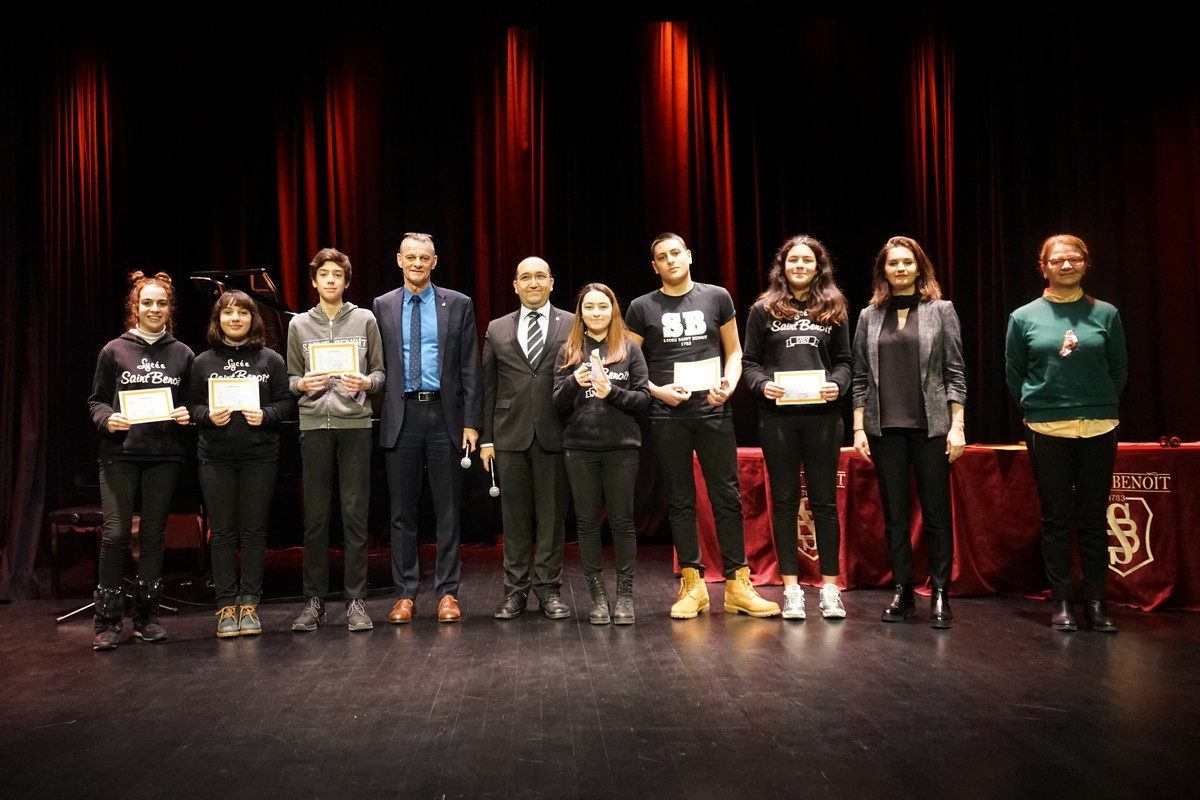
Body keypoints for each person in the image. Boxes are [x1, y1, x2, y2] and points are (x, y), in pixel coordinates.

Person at [625, 232, 780, 619]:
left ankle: (737, 584)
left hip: (712, 410)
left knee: (726, 496)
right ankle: (692, 585)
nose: (671, 260)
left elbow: (735, 351)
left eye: (676, 252)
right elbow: (627, 363)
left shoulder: (716, 297)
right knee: (680, 499)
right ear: (655, 266)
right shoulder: (641, 307)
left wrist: (729, 385)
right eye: (663, 256)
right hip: (668, 414)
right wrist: (658, 392)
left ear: (689, 255)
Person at [1005, 234, 1127, 633]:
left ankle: (1095, 601)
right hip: (1047, 427)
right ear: (1044, 267)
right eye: (1057, 260)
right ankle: (1061, 601)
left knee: (1093, 519)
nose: (1066, 265)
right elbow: (1015, 374)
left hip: (1098, 425)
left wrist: (1098, 401)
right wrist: (1039, 406)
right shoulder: (1023, 317)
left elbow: (1118, 369)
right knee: (1056, 518)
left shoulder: (1106, 313)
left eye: (1074, 258)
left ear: (1085, 264)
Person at [851, 235, 966, 628]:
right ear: (883, 271)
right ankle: (902, 591)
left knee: (936, 514)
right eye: (893, 263)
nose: (900, 268)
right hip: (883, 429)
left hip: (931, 428)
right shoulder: (868, 316)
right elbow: (860, 377)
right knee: (895, 516)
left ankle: (940, 592)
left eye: (907, 262)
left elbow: (955, 372)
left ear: (919, 268)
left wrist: (957, 426)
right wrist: (859, 428)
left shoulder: (941, 311)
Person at [373, 232, 482, 624]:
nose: (417, 263)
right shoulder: (382, 305)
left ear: (434, 262)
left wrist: (472, 422)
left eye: (424, 257)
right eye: (411, 257)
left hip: (445, 416)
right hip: (401, 416)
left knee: (447, 510)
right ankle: (405, 594)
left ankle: (447, 592)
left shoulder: (458, 303)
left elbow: (470, 366)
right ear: (399, 260)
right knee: (401, 512)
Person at [742, 235, 852, 620]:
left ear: (818, 266)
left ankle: (830, 589)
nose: (800, 266)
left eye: (807, 260)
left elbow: (845, 362)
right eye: (793, 260)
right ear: (783, 266)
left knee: (824, 501)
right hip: (778, 418)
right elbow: (750, 363)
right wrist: (762, 385)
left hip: (823, 418)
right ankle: (791, 589)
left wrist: (837, 384)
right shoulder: (763, 309)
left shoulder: (834, 307)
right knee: (786, 501)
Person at [87, 271, 193, 651]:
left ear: (169, 309)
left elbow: (193, 402)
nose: (154, 308)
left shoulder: (183, 353)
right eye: (147, 302)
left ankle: (147, 617)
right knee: (116, 535)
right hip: (120, 454)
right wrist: (107, 419)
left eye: (161, 303)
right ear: (135, 307)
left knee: (152, 536)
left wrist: (187, 414)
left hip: (164, 455)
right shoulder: (114, 350)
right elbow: (96, 401)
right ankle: (107, 621)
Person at [287, 247, 385, 633]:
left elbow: (380, 373)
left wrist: (368, 382)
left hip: (355, 425)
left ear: (346, 281)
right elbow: (290, 378)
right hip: (314, 425)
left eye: (337, 275)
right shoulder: (299, 325)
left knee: (354, 515)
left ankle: (356, 600)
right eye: (324, 274)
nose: (330, 280)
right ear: (314, 281)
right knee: (315, 518)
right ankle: (314, 601)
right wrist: (301, 384)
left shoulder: (365, 319)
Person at [188, 291, 294, 638]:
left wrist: (266, 414)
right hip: (215, 457)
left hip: (260, 456)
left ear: (253, 319)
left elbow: (286, 404)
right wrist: (207, 415)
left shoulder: (271, 360)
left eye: (243, 313)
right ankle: (225, 605)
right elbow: (192, 406)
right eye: (228, 313)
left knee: (253, 531)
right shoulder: (202, 362)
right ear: (218, 320)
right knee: (221, 532)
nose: (235, 319)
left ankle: (249, 603)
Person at [480, 257, 573, 620]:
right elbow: (488, 387)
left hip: (556, 432)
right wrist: (486, 439)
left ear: (551, 282)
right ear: (515, 285)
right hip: (509, 434)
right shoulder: (497, 328)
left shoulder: (572, 323)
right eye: (525, 277)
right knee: (514, 519)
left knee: (552, 519)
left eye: (540, 276)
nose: (533, 283)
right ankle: (515, 591)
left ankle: (549, 590)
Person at [553, 283, 651, 624]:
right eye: (589, 307)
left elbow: (643, 398)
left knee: (622, 522)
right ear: (581, 313)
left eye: (603, 307)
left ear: (613, 310)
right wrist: (573, 383)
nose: (596, 313)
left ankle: (624, 597)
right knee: (587, 523)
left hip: (622, 448)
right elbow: (556, 403)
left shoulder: (629, 349)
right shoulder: (569, 350)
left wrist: (612, 392)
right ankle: (597, 598)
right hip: (580, 448)